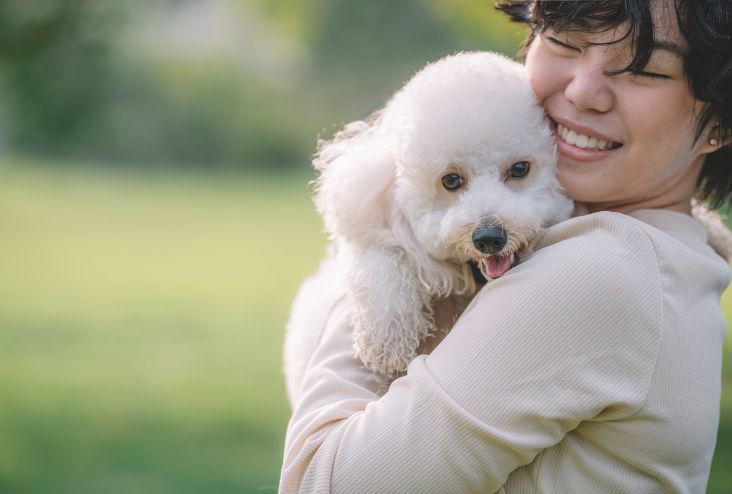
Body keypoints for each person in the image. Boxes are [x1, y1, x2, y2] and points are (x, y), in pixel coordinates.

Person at [279, 0, 732, 492]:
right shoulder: (681, 249)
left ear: (723, 120)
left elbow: (322, 482)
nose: (582, 92)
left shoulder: (599, 271)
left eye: (642, 68)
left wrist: (378, 249)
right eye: (563, 41)